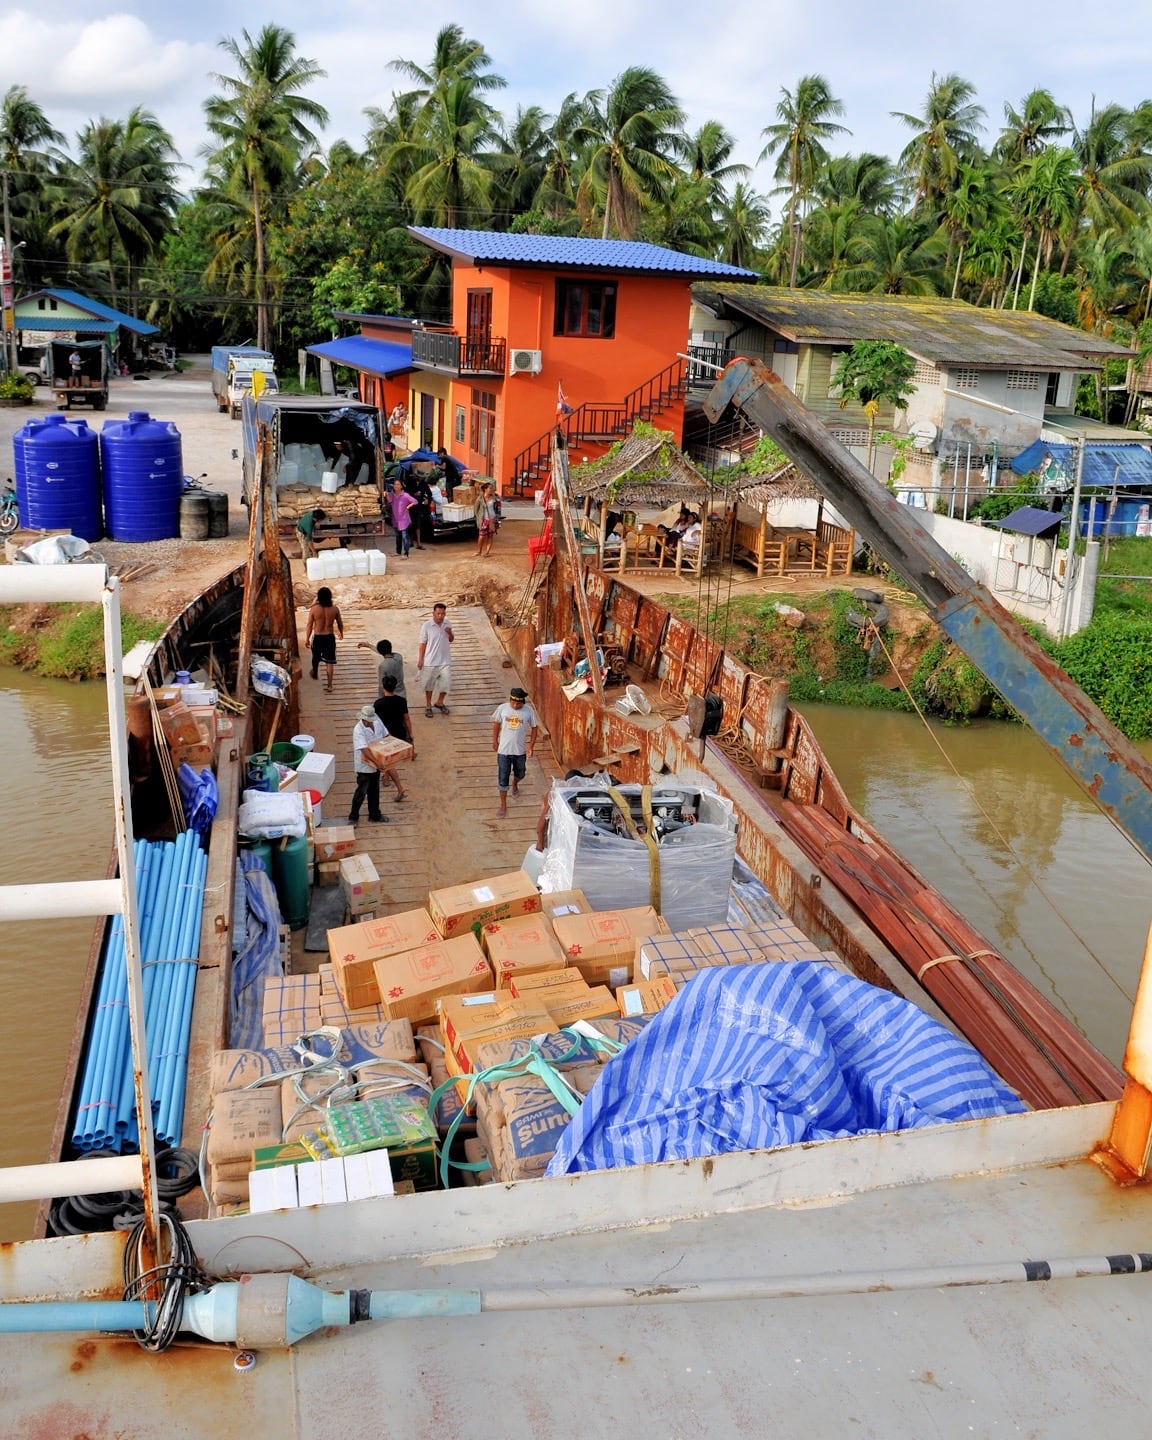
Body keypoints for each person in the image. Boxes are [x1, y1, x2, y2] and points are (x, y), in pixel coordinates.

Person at [491, 685, 538, 818]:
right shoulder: (502, 709)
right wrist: (495, 741)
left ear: (523, 702)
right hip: (504, 751)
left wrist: (531, 745)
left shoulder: (528, 711)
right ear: (510, 700)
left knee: (521, 773)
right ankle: (503, 804)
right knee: (502, 779)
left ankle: (515, 782)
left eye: (518, 703)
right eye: (513, 702)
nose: (515, 705)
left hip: (519, 751)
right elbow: (496, 724)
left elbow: (535, 728)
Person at [373, 676, 414, 800]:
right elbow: (406, 718)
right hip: (399, 734)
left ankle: (399, 787)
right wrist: (410, 733)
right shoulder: (401, 701)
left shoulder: (378, 704)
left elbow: (375, 722)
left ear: (383, 686)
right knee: (388, 761)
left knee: (387, 762)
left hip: (384, 737)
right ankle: (387, 778)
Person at [348, 705, 390, 825]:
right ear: (363, 719)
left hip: (377, 761)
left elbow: (386, 735)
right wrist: (378, 763)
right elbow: (364, 750)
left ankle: (375, 815)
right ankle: (353, 817)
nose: (369, 722)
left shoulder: (377, 721)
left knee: (374, 790)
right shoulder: (358, 730)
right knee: (361, 791)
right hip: (364, 766)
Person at [417, 602, 454, 717]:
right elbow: (423, 644)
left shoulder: (448, 624)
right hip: (430, 661)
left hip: (445, 661)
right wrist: (421, 660)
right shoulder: (426, 626)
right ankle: (428, 705)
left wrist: (450, 633)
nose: (440, 616)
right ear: (433, 613)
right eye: (438, 613)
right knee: (429, 685)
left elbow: (451, 639)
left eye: (443, 613)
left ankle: (440, 702)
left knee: (445, 684)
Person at [305, 585, 343, 692]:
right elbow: (340, 623)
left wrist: (307, 638)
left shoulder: (314, 609)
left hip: (318, 637)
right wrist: (341, 633)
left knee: (315, 657)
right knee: (330, 662)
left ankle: (315, 673)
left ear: (319, 597)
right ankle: (330, 685)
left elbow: (309, 625)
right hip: (329, 637)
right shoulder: (335, 609)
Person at [388, 477, 417, 558]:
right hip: (396, 519)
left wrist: (408, 507)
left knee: (404, 536)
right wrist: (386, 495)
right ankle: (398, 552)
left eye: (398, 484)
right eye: (395, 484)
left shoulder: (405, 495)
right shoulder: (392, 495)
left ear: (401, 486)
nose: (396, 486)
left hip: (403, 519)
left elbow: (415, 501)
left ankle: (406, 553)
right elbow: (389, 502)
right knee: (398, 537)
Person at [408, 472, 433, 550]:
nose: (420, 478)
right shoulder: (410, 482)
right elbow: (406, 493)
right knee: (411, 525)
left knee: (418, 525)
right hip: (411, 506)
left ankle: (418, 544)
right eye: (419, 477)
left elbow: (429, 494)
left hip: (419, 507)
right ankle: (411, 542)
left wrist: (427, 500)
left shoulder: (424, 484)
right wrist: (414, 494)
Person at [474, 482, 499, 558]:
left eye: (492, 488)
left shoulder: (494, 497)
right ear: (485, 489)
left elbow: (497, 509)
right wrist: (479, 519)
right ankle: (479, 551)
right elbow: (476, 510)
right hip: (484, 520)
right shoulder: (480, 499)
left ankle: (487, 552)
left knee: (490, 536)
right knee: (481, 536)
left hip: (492, 520)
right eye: (490, 488)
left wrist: (497, 518)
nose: (492, 489)